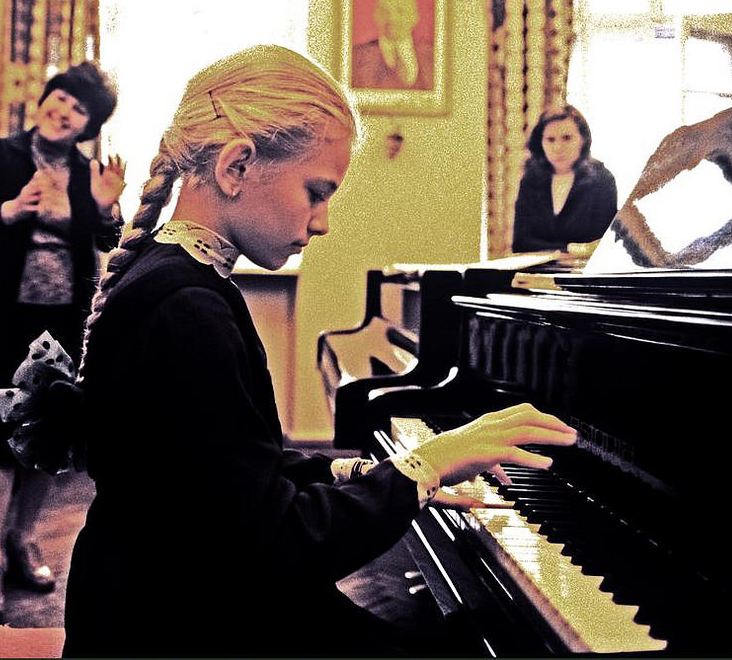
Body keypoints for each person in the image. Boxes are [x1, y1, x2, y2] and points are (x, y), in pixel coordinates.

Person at [60, 45, 578, 657]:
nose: (324, 221)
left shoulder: (178, 278)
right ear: (237, 166)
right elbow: (273, 542)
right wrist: (423, 467)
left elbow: (226, 476)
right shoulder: (186, 307)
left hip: (169, 595)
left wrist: (361, 471)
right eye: (316, 191)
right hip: (177, 624)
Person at [0, 60, 125, 620]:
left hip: (65, 317)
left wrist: (102, 209)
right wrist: (7, 210)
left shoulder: (86, 171)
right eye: (60, 96)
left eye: (78, 108)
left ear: (87, 126)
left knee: (50, 433)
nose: (63, 109)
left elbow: (108, 239)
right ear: (44, 98)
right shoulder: (0, 156)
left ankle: (22, 539)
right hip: (1, 313)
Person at [512, 104, 618, 254]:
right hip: (536, 273)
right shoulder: (530, 180)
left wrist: (553, 249)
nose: (558, 148)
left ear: (583, 140)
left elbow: (600, 244)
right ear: (540, 143)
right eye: (550, 139)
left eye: (567, 138)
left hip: (583, 274)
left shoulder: (602, 180)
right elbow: (521, 243)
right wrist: (570, 249)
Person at [351, 0, 433, 90]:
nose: (392, 18)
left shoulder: (433, 57)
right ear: (376, 16)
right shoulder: (356, 57)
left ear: (414, 17)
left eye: (400, 11)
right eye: (385, 11)